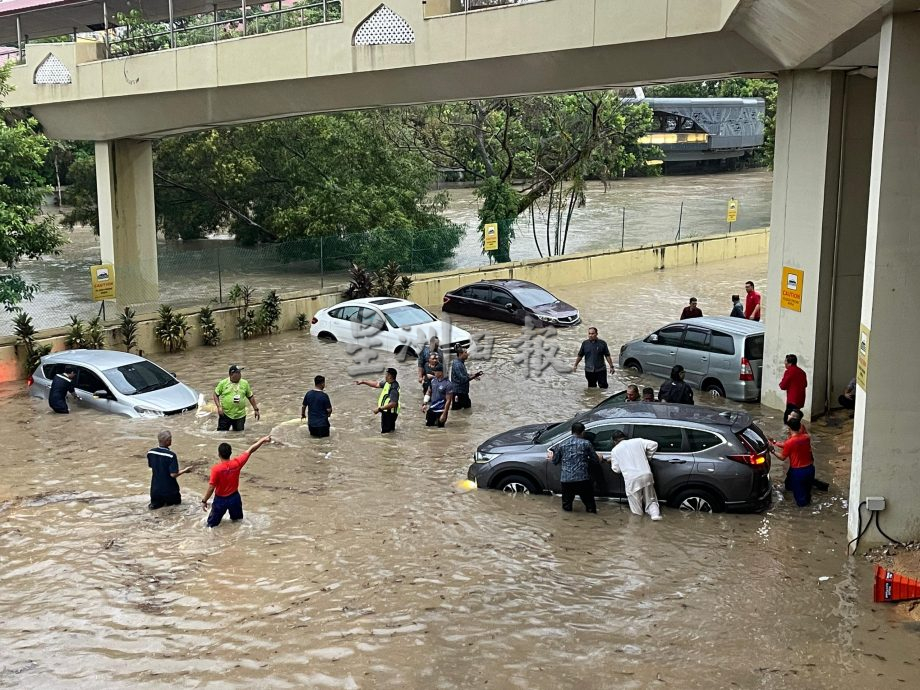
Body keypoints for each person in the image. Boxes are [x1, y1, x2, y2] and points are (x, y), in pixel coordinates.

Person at [201, 435, 272, 527]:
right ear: (230, 453)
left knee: (211, 525)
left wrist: (204, 501)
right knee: (238, 522)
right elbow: (250, 450)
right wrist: (262, 440)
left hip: (220, 500)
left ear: (219, 454)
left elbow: (211, 488)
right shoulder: (237, 463)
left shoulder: (216, 469)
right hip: (234, 498)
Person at [546, 422, 601, 513]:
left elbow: (555, 461)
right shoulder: (586, 443)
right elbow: (595, 460)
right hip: (582, 479)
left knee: (567, 506)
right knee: (590, 505)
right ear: (583, 432)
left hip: (566, 480)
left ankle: (567, 523)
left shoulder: (562, 444)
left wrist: (552, 457)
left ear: (571, 432)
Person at [609, 431, 662, 520]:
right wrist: (647, 457)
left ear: (614, 441)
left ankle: (638, 526)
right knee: (651, 499)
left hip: (632, 479)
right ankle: (655, 516)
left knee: (636, 508)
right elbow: (654, 444)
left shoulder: (615, 450)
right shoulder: (637, 441)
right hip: (646, 474)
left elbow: (616, 469)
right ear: (624, 437)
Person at [147, 429, 192, 510]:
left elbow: (151, 466)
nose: (171, 440)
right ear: (167, 441)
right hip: (170, 490)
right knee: (176, 511)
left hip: (155, 490)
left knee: (155, 511)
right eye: (170, 439)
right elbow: (173, 474)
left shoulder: (150, 452)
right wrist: (185, 470)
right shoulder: (171, 455)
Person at [773, 418, 814, 507]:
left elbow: (782, 457)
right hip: (810, 469)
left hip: (798, 472)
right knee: (804, 492)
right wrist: (774, 442)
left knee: (801, 500)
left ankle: (803, 515)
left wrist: (772, 451)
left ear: (789, 429)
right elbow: (791, 445)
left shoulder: (790, 442)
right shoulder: (806, 438)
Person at [213, 365, 259, 431]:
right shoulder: (223, 383)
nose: (240, 374)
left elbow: (250, 396)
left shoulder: (245, 383)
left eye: (240, 373)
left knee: (238, 435)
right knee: (221, 434)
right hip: (225, 414)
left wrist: (256, 409)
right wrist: (219, 407)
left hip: (240, 415)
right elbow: (215, 394)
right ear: (231, 374)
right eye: (237, 373)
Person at [356, 368, 401, 433]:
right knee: (390, 432)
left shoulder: (393, 388)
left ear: (390, 376)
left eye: (386, 374)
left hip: (389, 413)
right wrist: (363, 382)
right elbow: (376, 384)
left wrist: (379, 409)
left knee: (386, 433)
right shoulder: (387, 383)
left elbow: (393, 403)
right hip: (387, 412)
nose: (385, 376)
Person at [779, 354, 807, 423]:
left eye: (785, 361)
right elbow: (805, 384)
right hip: (800, 400)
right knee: (796, 419)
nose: (784, 363)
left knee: (787, 420)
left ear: (789, 363)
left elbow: (783, 386)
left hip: (792, 400)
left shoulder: (789, 372)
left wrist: (781, 384)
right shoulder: (802, 372)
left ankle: (789, 433)